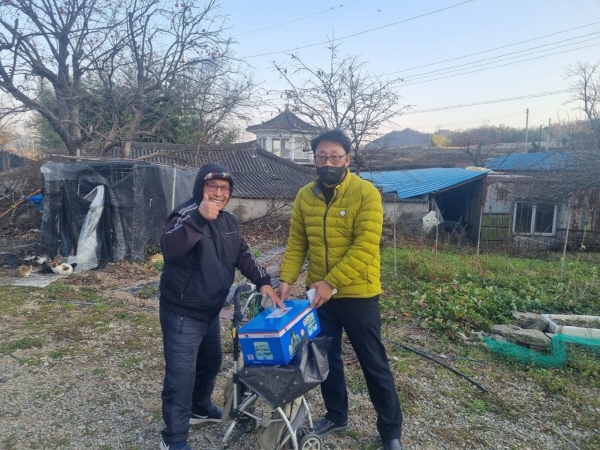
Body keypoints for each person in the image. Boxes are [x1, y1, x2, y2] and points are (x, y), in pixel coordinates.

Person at [277, 129, 404, 450]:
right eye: (321, 157)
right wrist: (285, 280)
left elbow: (365, 247)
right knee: (324, 358)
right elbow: (297, 244)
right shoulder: (305, 196)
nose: (328, 162)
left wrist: (331, 282)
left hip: (358, 293)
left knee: (372, 361)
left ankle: (390, 431)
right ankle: (336, 414)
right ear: (314, 160)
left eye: (335, 156)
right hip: (319, 297)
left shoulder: (365, 194)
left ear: (348, 158)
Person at [158, 163, 283, 450]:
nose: (218, 193)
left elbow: (242, 252)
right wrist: (199, 219)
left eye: (224, 188)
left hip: (210, 310)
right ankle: (173, 438)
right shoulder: (185, 215)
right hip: (182, 311)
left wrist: (263, 280)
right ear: (200, 187)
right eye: (211, 186)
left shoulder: (228, 221)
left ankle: (199, 410)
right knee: (181, 375)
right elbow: (170, 249)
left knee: (211, 362)